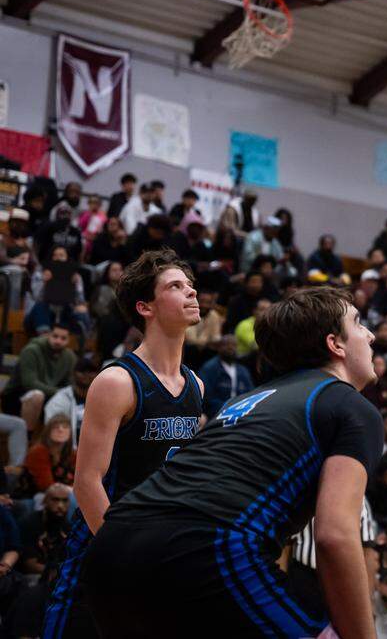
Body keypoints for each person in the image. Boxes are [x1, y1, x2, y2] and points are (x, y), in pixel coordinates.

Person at [80, 286, 384, 638]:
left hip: (112, 548)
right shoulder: (353, 408)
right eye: (359, 323)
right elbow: (334, 536)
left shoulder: (247, 399)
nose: (371, 334)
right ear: (336, 344)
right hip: (205, 547)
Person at [44, 249, 205, 639]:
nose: (191, 292)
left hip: (159, 554)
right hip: (104, 551)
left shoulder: (196, 385)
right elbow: (87, 482)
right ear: (145, 307)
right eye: (176, 286)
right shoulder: (117, 381)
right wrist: (126, 556)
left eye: (191, 285)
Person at [2, 324, 76, 430]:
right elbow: (29, 383)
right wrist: (59, 392)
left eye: (63, 338)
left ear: (69, 340)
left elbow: (70, 384)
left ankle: (62, 443)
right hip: (16, 397)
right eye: (55, 336)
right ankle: (26, 438)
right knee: (37, 395)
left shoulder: (70, 357)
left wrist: (63, 394)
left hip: (48, 397)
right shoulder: (31, 351)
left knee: (69, 401)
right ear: (48, 335)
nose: (58, 341)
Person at [198, 335, 256, 418]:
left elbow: (250, 394)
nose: (230, 348)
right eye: (226, 344)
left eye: (234, 345)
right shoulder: (209, 368)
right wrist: (228, 408)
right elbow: (206, 396)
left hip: (241, 413)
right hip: (215, 414)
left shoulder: (243, 371)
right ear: (219, 348)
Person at [44, 356, 97, 442]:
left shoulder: (103, 398)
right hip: (68, 449)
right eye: (82, 371)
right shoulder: (60, 399)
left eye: (91, 371)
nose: (86, 375)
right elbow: (52, 429)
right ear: (73, 374)